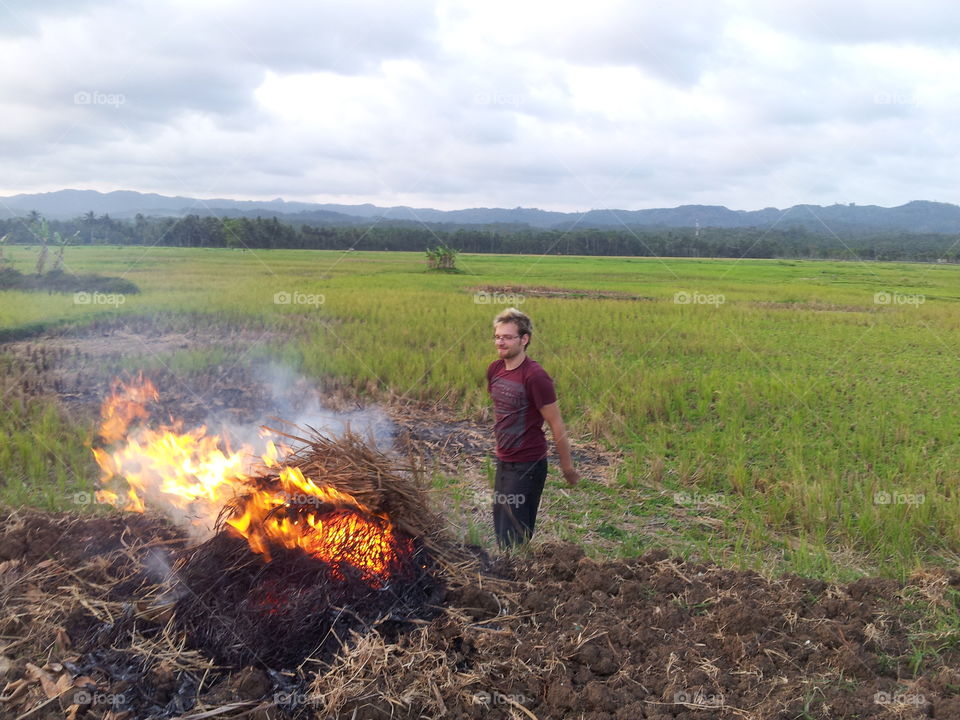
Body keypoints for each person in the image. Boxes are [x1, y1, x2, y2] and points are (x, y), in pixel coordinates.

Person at [486, 307, 579, 548]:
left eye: (507, 337)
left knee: (514, 535)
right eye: (497, 336)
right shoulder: (494, 370)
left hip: (527, 464)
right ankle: (510, 572)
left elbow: (556, 423)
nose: (500, 342)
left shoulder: (536, 377)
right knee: (501, 527)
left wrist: (567, 467)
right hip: (504, 461)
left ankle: (518, 580)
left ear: (524, 339)